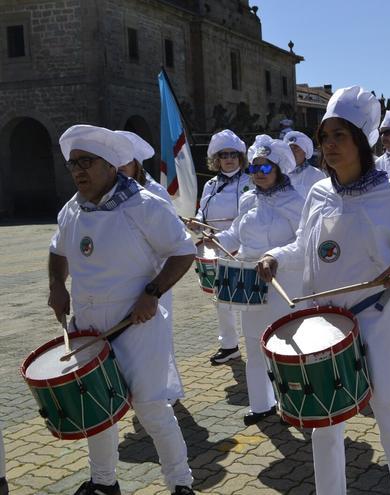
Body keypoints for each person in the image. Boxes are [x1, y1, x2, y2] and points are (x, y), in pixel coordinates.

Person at [257, 86, 390, 494]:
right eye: (325, 136)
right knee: (323, 423)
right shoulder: (318, 192)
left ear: (360, 140)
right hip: (321, 323)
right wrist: (274, 257)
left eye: (340, 135)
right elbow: (303, 245)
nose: (330, 145)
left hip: (374, 319)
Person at [48, 125, 195, 495]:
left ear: (110, 165)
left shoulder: (145, 205)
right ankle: (104, 482)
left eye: (86, 162)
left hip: (137, 324)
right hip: (88, 326)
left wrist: (152, 293)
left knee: (151, 407)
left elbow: (183, 251)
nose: (78, 170)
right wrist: (56, 286)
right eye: (73, 164)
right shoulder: (72, 209)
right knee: (99, 409)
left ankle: (180, 483)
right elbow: (57, 250)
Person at [210, 139, 305, 425]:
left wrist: (276, 257)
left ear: (278, 169)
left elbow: (304, 243)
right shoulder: (248, 199)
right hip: (251, 283)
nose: (258, 173)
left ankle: (294, 404)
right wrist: (215, 239)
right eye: (254, 168)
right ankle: (262, 404)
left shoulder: (296, 201)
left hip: (285, 282)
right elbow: (235, 234)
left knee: (288, 346)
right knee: (253, 343)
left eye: (265, 168)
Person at [116, 130, 184, 404]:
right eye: (113, 161)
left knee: (157, 334)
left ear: (136, 164)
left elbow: (172, 240)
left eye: (125, 161)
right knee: (130, 339)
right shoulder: (107, 194)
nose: (119, 167)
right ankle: (139, 391)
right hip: (124, 276)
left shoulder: (153, 192)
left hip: (154, 276)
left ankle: (163, 391)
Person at [189, 129, 251, 366]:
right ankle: (229, 345)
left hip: (242, 247)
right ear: (217, 159)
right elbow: (202, 212)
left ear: (240, 157)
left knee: (247, 299)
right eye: (224, 155)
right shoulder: (210, 184)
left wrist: (226, 235)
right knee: (221, 300)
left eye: (233, 154)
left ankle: (256, 344)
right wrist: (197, 223)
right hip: (215, 246)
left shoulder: (250, 181)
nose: (229, 159)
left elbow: (249, 216)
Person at [283, 130, 326, 195]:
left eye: (295, 148)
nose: (291, 152)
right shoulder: (279, 173)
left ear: (305, 152)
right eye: (289, 148)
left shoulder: (317, 175)